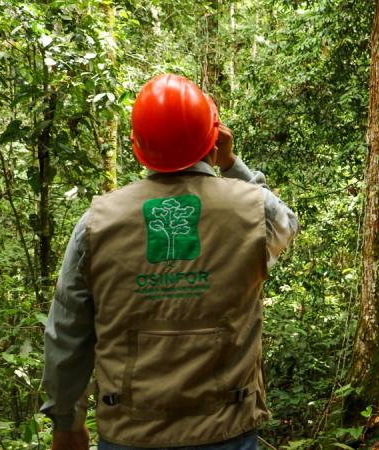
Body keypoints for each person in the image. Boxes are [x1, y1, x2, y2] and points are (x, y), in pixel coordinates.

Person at [41, 74, 299, 450]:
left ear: (138, 146)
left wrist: (67, 422)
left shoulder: (97, 222)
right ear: (213, 138)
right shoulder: (253, 210)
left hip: (130, 434)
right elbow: (285, 225)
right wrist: (230, 164)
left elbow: (68, 329)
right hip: (226, 430)